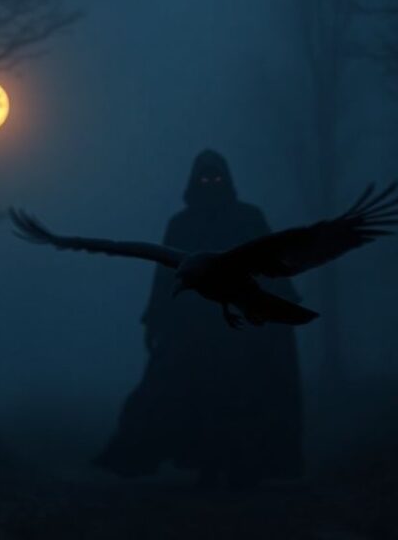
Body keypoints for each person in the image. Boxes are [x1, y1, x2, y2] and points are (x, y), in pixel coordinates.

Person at [94, 149, 303, 488]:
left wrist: (281, 304)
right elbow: (166, 277)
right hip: (194, 331)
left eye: (216, 178)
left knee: (243, 396)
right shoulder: (182, 225)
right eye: (205, 178)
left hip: (240, 329)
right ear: (194, 182)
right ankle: (208, 463)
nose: (211, 184)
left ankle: (240, 464)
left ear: (228, 181)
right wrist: (155, 320)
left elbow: (273, 264)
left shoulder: (248, 218)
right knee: (197, 397)